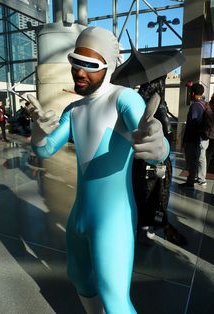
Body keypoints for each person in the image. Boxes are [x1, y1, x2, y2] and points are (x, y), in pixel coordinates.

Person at [28, 26, 169, 314]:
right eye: (74, 62)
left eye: (90, 65)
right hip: (79, 214)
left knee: (115, 301)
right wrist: (39, 132)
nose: (79, 72)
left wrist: (159, 146)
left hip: (113, 219)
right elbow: (44, 150)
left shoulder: (123, 98)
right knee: (79, 277)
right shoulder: (74, 109)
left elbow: (149, 134)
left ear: (109, 65)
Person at [136, 77, 187, 246]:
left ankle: (142, 223)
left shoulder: (137, 100)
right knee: (156, 193)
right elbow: (167, 132)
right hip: (158, 161)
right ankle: (151, 225)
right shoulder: (159, 103)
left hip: (139, 160)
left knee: (142, 191)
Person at [180, 83, 208, 188]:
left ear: (192, 93)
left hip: (195, 139)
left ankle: (190, 182)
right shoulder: (205, 103)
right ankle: (201, 179)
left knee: (191, 160)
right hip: (204, 137)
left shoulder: (195, 106)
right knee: (201, 159)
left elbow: (192, 125)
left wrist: (185, 140)